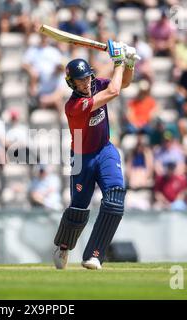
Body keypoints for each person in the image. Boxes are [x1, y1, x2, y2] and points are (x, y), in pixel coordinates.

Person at [52, 40, 137, 270]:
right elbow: (115, 90)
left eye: (88, 77)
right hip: (82, 156)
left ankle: (94, 255)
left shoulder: (96, 84)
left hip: (105, 149)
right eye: (81, 80)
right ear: (72, 84)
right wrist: (118, 60)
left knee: (115, 200)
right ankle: (63, 246)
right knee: (79, 209)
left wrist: (128, 63)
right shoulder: (74, 106)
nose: (87, 82)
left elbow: (125, 82)